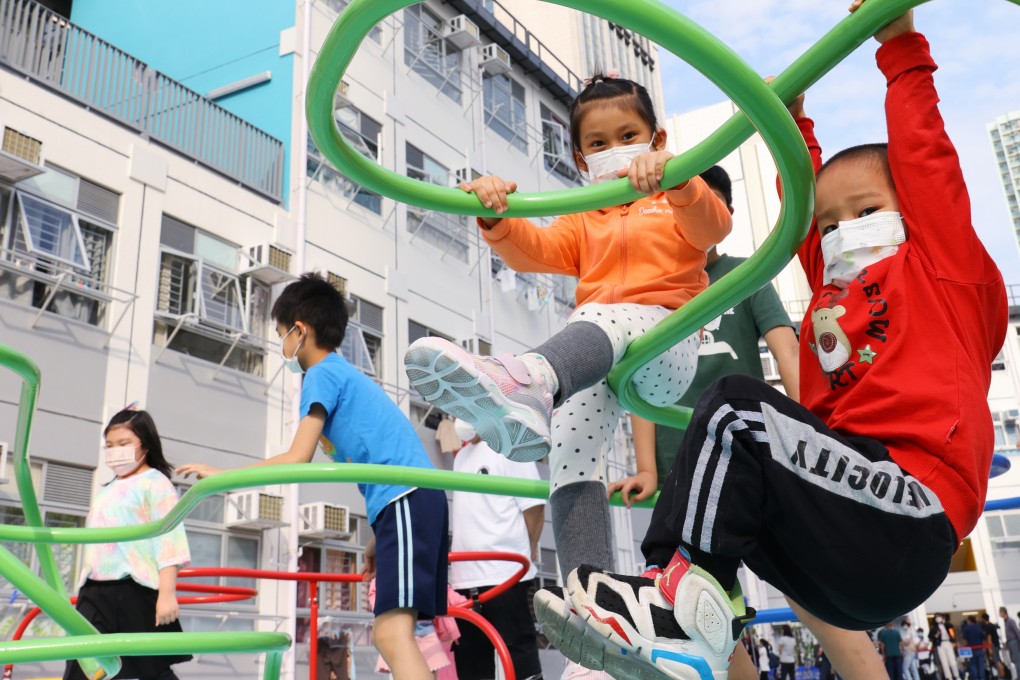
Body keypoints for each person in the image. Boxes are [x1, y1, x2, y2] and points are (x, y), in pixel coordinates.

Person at [536, 3, 1009, 680]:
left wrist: (899, 46)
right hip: (839, 546)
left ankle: (671, 608)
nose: (845, 230)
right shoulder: (834, 284)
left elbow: (926, 159)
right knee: (737, 491)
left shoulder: (941, 270)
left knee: (733, 411)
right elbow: (803, 203)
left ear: (909, 214)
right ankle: (688, 626)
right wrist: (790, 118)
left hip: (911, 507)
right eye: (832, 220)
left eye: (868, 212)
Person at [403, 68, 730, 680]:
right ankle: (594, 607)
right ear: (581, 160)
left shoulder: (674, 198)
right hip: (598, 354)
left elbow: (714, 229)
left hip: (666, 349)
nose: (614, 151)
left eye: (628, 135)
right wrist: (496, 212)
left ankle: (527, 378)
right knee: (570, 458)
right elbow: (536, 249)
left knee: (605, 312)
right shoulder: (588, 215)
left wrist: (680, 180)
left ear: (656, 142)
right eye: (599, 144)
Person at [177, 273, 448, 680]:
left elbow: (297, 456)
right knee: (391, 634)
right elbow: (387, 453)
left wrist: (223, 476)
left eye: (281, 333)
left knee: (393, 635)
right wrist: (378, 537)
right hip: (403, 503)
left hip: (407, 498)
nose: (281, 344)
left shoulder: (321, 373)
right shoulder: (342, 374)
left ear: (299, 331)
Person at [612, 164, 800, 506]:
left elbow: (787, 352)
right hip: (678, 455)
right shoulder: (652, 285)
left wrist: (810, 436)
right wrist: (647, 469)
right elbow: (640, 375)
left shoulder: (746, 274)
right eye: (690, 202)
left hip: (744, 447)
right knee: (683, 560)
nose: (701, 211)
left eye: (712, 203)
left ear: (727, 215)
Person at [64, 408, 191, 680]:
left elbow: (169, 539)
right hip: (95, 587)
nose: (115, 451)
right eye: (110, 446)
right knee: (81, 664)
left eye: (124, 444)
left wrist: (167, 593)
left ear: (145, 445)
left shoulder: (155, 483)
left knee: (149, 669)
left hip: (134, 586)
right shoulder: (107, 488)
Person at [449, 418, 545, 680]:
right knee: (471, 664)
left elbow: (534, 506)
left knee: (519, 655)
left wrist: (531, 547)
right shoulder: (461, 457)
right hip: (464, 580)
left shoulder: (511, 446)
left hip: (506, 574)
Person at [931, 614, 961, 680]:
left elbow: (952, 633)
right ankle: (948, 677)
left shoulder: (947, 625)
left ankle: (957, 675)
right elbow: (932, 637)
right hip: (940, 644)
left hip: (948, 642)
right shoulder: (934, 627)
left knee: (952, 660)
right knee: (944, 662)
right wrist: (937, 635)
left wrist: (953, 642)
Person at [962, 615, 988, 680]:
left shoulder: (967, 628)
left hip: (971, 650)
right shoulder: (979, 627)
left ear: (970, 620)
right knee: (981, 665)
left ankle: (976, 678)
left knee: (973, 665)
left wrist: (964, 648)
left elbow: (965, 640)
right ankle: (982, 678)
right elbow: (983, 638)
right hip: (980, 649)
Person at [981, 613, 1004, 679]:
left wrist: (989, 648)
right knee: (998, 660)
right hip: (997, 645)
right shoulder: (992, 625)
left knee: (996, 661)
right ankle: (1003, 675)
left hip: (993, 646)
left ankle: (1002, 676)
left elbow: (989, 637)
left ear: (983, 619)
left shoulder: (988, 627)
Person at [1001, 607, 1019, 678]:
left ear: (1003, 612)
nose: (1000, 614)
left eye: (1000, 612)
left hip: (1014, 641)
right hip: (1010, 642)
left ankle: (1019, 675)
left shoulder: (1010, 621)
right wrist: (1006, 643)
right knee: (1013, 659)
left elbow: (1016, 631)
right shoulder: (1006, 621)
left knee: (1016, 659)